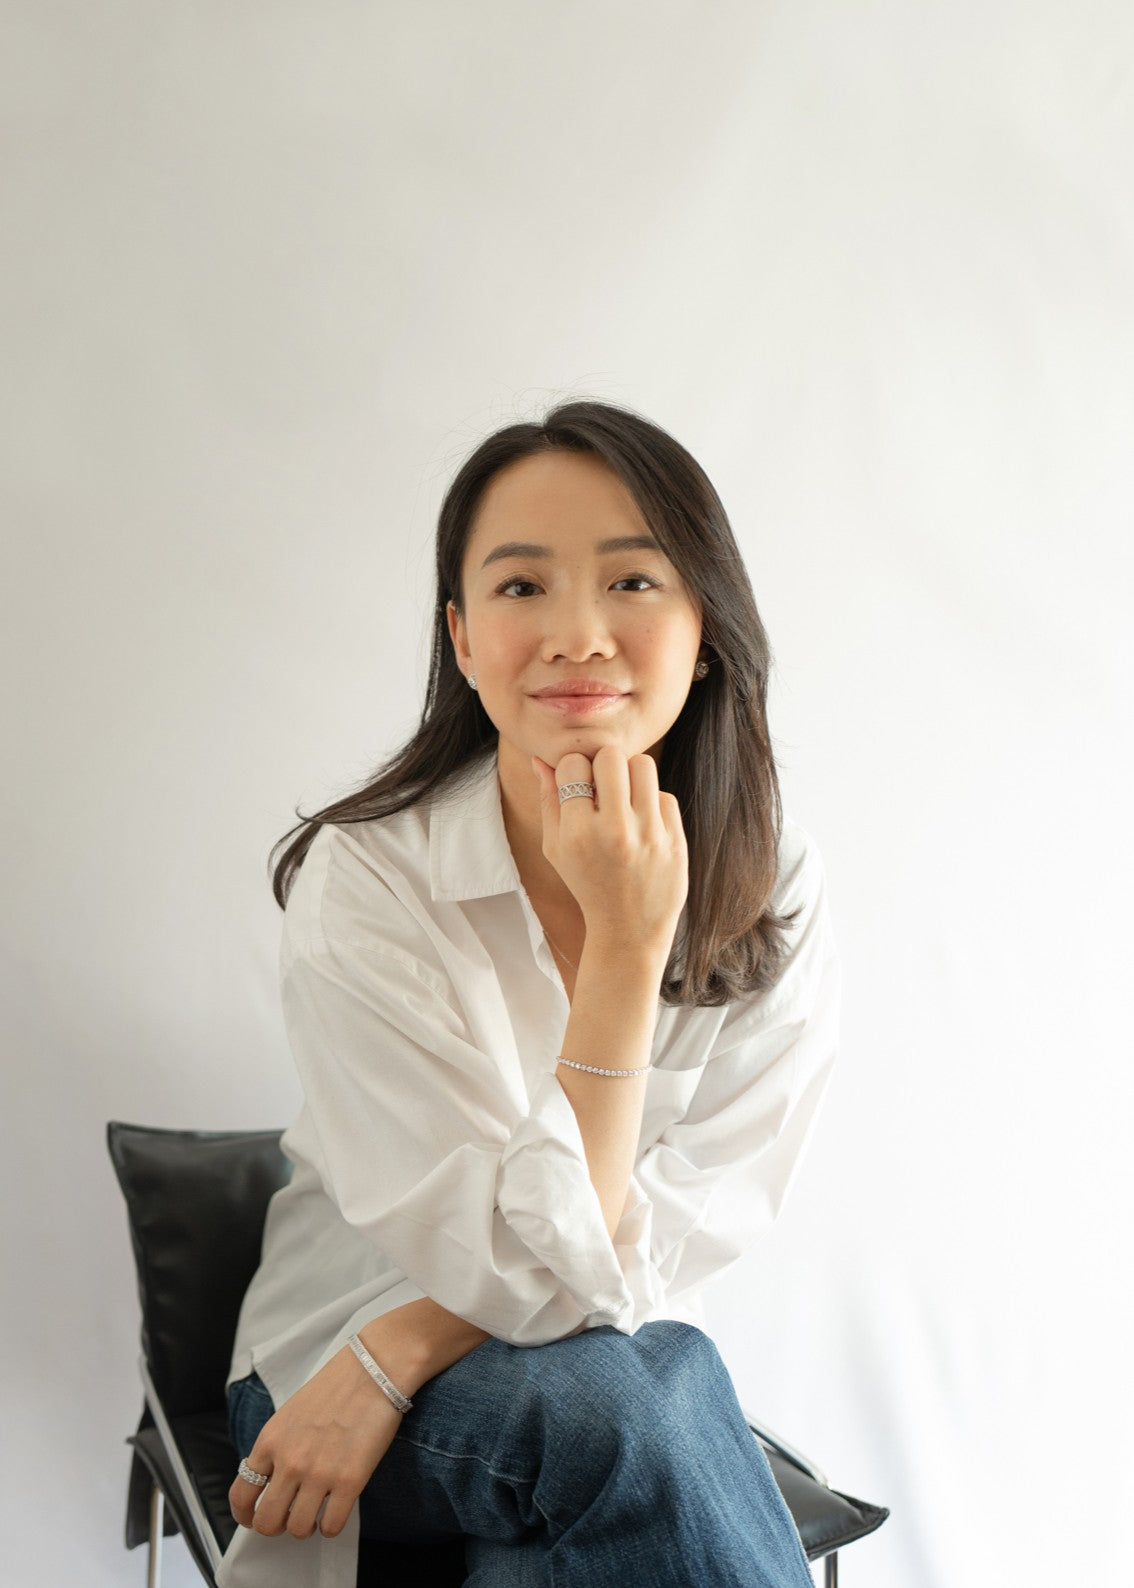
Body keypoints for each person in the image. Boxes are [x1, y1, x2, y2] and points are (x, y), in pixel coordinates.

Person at [219, 400, 840, 1588]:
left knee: (571, 1501)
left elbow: (694, 1219)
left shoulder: (776, 879)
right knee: (643, 1391)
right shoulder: (368, 881)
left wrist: (404, 1343)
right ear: (460, 637)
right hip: (321, 1386)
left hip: (458, 1371)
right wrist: (621, 953)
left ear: (706, 626)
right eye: (519, 589)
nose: (577, 635)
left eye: (633, 583)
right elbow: (540, 1275)